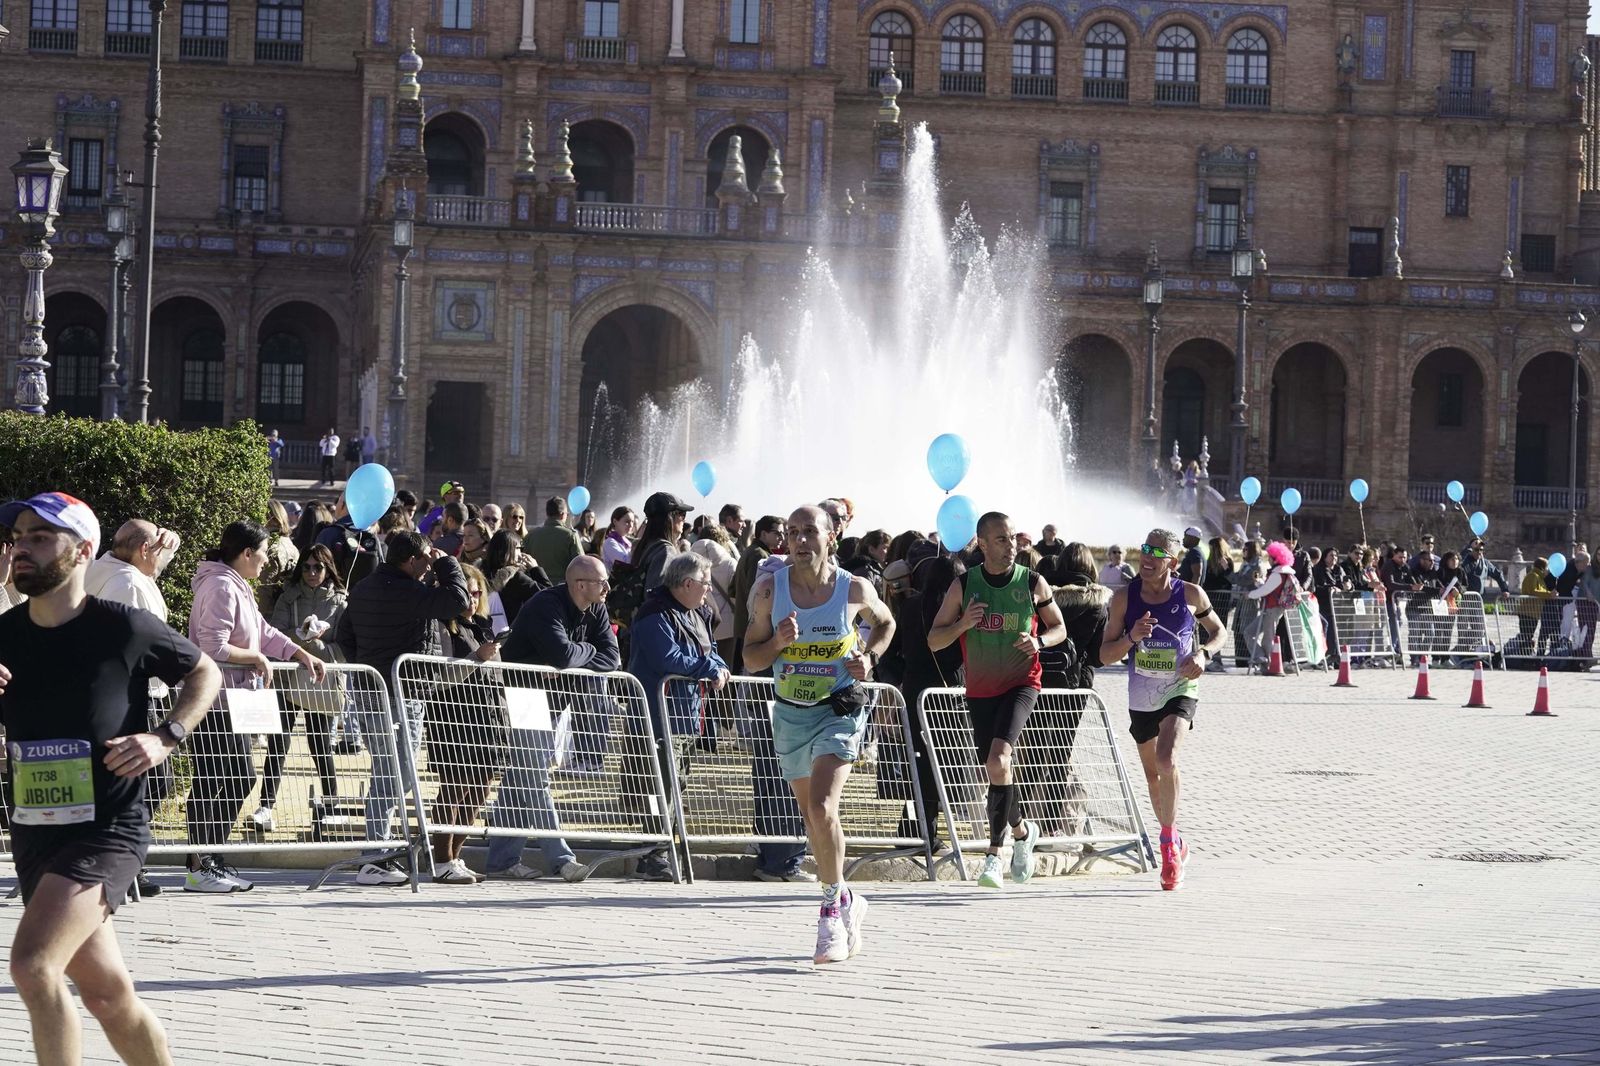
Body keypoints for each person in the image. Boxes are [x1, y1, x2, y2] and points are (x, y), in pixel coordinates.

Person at [0, 492, 224, 1066]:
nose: (21, 547)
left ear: (82, 552)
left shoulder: (123, 628)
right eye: (18, 537)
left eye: (40, 538)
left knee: (32, 965)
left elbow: (205, 671)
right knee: (107, 994)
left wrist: (165, 736)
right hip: (35, 827)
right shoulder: (4, 635)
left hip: (108, 828)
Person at [743, 505, 895, 963]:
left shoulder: (853, 588)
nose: (801, 540)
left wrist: (868, 658)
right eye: (793, 533)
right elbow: (750, 658)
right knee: (815, 821)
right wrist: (776, 645)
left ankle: (829, 911)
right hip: (791, 713)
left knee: (821, 805)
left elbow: (885, 622)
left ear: (832, 536)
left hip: (839, 710)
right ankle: (848, 898)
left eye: (811, 532)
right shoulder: (771, 591)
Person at [926, 511, 1067, 889]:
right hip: (981, 689)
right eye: (1002, 540)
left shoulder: (1032, 581)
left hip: (1023, 682)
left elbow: (1059, 628)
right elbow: (934, 640)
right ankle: (1022, 832)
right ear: (983, 543)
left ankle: (993, 856)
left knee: (998, 759)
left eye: (1013, 539)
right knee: (996, 769)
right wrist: (962, 625)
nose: (1012, 547)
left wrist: (1039, 641)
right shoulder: (964, 585)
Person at [185, 520, 327, 892]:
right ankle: (200, 862)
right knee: (220, 778)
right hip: (214, 701)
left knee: (233, 777)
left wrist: (299, 653)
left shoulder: (237, 585)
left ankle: (209, 857)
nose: (267, 562)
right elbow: (212, 646)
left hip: (234, 700)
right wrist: (254, 659)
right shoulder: (219, 586)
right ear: (247, 553)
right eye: (263, 554)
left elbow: (263, 631)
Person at [335, 530, 470, 885]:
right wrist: (448, 563)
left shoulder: (364, 587)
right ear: (411, 561)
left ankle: (377, 854)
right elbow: (457, 600)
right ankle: (374, 856)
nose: (429, 565)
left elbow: (343, 635)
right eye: (425, 558)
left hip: (371, 688)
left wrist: (366, 663)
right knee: (398, 771)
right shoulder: (409, 591)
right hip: (398, 690)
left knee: (390, 769)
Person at [1099, 529, 1226, 891]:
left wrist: (1204, 653)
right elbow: (1105, 655)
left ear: (1172, 560)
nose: (1148, 558)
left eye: (1157, 552)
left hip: (1180, 686)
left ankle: (1168, 846)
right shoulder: (1124, 599)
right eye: (1144, 550)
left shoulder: (1190, 594)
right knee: (1153, 774)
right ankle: (1176, 839)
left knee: (1167, 759)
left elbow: (1219, 631)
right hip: (1141, 695)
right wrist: (1131, 638)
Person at [491, 554, 617, 881]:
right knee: (534, 776)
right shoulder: (545, 605)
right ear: (580, 585)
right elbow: (562, 655)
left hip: (555, 698)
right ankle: (562, 859)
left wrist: (576, 655)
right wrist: (585, 652)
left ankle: (502, 860)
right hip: (524, 694)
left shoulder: (597, 608)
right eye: (601, 581)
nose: (607, 587)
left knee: (520, 777)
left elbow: (613, 657)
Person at [82, 519, 182, 899]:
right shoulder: (124, 583)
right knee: (149, 781)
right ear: (143, 550)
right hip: (131, 697)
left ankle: (124, 861)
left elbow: (148, 576)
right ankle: (119, 860)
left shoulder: (111, 568)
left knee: (140, 783)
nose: (163, 556)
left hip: (123, 695)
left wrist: (167, 544)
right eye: (158, 548)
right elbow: (134, 640)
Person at [628, 552, 733, 883]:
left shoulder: (696, 613)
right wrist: (708, 669)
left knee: (678, 784)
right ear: (687, 583)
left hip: (688, 715)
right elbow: (667, 657)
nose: (708, 591)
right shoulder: (654, 613)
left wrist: (718, 667)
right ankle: (652, 853)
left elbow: (710, 650)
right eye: (705, 584)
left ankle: (665, 847)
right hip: (658, 716)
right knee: (657, 785)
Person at [421, 563, 504, 884]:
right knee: (454, 787)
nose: (471, 600)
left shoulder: (482, 625)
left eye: (476, 593)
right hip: (453, 718)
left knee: (479, 790)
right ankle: (441, 859)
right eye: (465, 593)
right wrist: (477, 658)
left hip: (489, 720)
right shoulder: (442, 627)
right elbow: (439, 677)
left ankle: (455, 856)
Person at [260, 544, 347, 832]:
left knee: (320, 742)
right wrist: (299, 637)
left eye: (318, 567)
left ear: (328, 569)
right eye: (307, 567)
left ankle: (331, 803)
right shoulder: (289, 596)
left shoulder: (341, 602)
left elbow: (346, 647)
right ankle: (266, 805)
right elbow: (274, 632)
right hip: (288, 677)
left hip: (320, 679)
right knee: (278, 741)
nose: (312, 572)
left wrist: (318, 644)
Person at [732, 515, 784, 671]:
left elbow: (732, 589)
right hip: (753, 627)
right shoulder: (760, 556)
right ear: (763, 534)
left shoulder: (751, 551)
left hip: (745, 624)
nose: (782, 537)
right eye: (777, 533)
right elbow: (756, 594)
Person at [1247, 541, 1301, 669]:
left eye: (1270, 557)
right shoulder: (1283, 573)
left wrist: (1249, 594)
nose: (1268, 559)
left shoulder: (1277, 574)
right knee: (1249, 632)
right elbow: (1267, 588)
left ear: (1275, 558)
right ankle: (1262, 658)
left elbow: (1265, 590)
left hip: (1271, 609)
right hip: (1273, 609)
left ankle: (1268, 664)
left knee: (1267, 638)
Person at [483, 529, 544, 632]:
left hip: (485, 635)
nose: (521, 553)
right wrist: (535, 569)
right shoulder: (516, 578)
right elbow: (547, 596)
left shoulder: (481, 572)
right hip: (510, 638)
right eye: (518, 548)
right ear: (509, 551)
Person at [257, 500, 300, 617]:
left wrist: (255, 618)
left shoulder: (270, 548)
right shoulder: (289, 544)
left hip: (270, 615)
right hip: (287, 612)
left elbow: (263, 589)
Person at [526, 496, 585, 579]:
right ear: (562, 514)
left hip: (536, 586)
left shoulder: (531, 535)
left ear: (547, 514)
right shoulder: (570, 535)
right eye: (567, 514)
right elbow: (580, 563)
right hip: (562, 587)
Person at [600, 506, 636, 572]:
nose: (631, 525)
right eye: (627, 521)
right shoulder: (610, 542)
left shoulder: (628, 542)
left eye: (632, 522)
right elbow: (624, 563)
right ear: (615, 521)